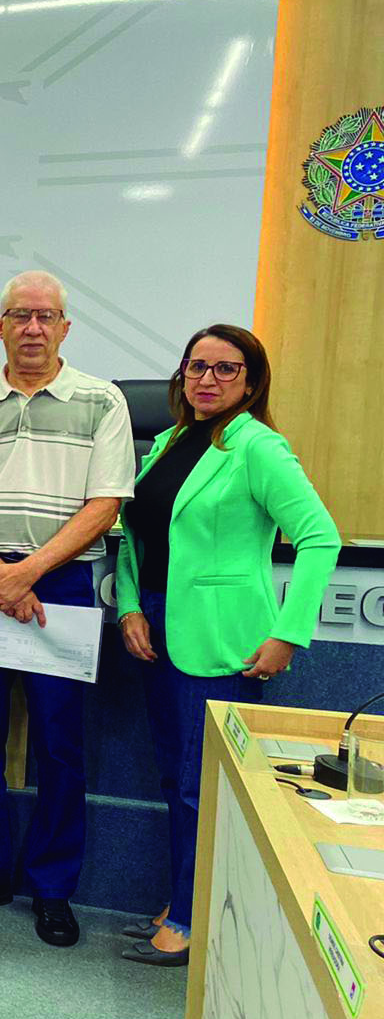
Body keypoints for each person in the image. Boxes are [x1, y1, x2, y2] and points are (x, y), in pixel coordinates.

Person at [115, 325, 339, 965]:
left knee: (198, 786)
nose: (207, 379)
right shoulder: (168, 441)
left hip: (221, 638)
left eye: (225, 369)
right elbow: (135, 534)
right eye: (197, 367)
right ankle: (182, 900)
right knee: (173, 777)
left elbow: (320, 536)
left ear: (251, 380)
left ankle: (190, 920)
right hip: (158, 623)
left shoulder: (258, 446)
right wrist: (130, 605)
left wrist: (288, 632)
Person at [0, 270, 134, 947]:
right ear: (0, 327)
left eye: (47, 316)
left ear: (65, 327)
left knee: (58, 744)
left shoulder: (101, 401)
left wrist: (28, 573)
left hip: (62, 584)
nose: (34, 328)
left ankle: (52, 887)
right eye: (21, 316)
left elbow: (106, 503)